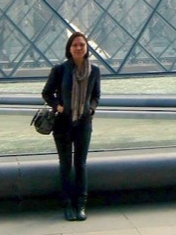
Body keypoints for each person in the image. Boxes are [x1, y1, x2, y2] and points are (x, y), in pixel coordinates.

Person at [41, 31, 101, 221]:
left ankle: (81, 204)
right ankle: (67, 205)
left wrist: (91, 109)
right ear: (69, 48)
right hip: (62, 124)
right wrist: (57, 105)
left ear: (86, 48)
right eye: (75, 45)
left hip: (83, 123)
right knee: (66, 165)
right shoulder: (60, 69)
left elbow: (96, 96)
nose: (78, 47)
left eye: (81, 45)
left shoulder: (95, 71)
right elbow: (46, 93)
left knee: (81, 165)